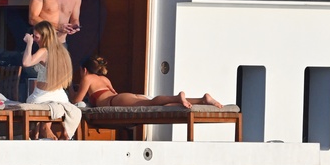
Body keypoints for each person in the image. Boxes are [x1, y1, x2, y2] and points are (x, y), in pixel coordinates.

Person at [71, 55, 223, 109]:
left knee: (151, 103)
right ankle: (202, 100)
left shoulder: (87, 78)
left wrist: (72, 90)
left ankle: (178, 97)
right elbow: (113, 92)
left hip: (114, 101)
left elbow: (76, 100)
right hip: (120, 98)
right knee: (158, 104)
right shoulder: (104, 79)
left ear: (84, 69)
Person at [22, 20, 73, 140]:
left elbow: (26, 63)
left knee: (30, 101)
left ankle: (42, 130)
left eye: (36, 37)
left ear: (44, 36)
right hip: (61, 97)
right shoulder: (62, 52)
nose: (34, 39)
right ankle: (43, 131)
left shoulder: (44, 51)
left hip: (42, 96)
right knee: (39, 102)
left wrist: (29, 44)